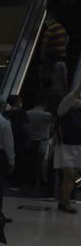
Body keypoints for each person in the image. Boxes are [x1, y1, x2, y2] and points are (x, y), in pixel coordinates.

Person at [54, 85, 81, 214]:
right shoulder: (63, 109)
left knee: (71, 176)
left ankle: (63, 201)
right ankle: (67, 202)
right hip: (65, 146)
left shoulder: (78, 111)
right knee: (69, 174)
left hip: (78, 146)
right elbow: (72, 96)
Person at [24, 100, 54, 189]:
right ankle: (39, 182)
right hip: (42, 141)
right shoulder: (47, 115)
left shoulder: (27, 113)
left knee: (29, 161)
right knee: (40, 163)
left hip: (30, 140)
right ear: (44, 105)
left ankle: (30, 181)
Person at [3, 95, 29, 187]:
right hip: (20, 139)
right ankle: (16, 182)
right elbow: (25, 127)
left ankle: (5, 179)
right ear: (16, 102)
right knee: (19, 160)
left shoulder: (5, 113)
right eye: (20, 100)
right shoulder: (22, 113)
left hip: (8, 138)